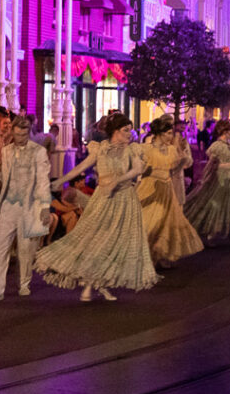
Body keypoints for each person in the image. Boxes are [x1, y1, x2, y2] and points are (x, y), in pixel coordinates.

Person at [34, 113, 156, 301]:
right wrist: (62, 180)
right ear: (115, 131)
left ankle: (100, 284)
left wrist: (117, 180)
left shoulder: (132, 150)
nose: (129, 134)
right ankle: (92, 283)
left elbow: (137, 169)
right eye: (125, 130)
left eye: (129, 130)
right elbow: (81, 167)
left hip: (125, 199)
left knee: (116, 243)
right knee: (96, 239)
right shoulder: (100, 149)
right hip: (103, 199)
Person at [0, 117, 51, 301]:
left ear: (29, 132)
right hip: (8, 203)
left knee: (25, 249)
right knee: (0, 247)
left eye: (24, 134)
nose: (20, 137)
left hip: (28, 204)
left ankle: (24, 283)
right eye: (17, 134)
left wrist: (45, 206)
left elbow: (43, 179)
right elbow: (3, 176)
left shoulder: (38, 152)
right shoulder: (7, 151)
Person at [137, 117, 203, 267]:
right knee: (150, 220)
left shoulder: (171, 150)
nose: (170, 136)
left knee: (165, 222)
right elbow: (140, 170)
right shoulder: (146, 148)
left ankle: (160, 255)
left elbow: (173, 171)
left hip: (167, 188)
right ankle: (145, 255)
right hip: (150, 186)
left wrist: (181, 163)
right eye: (167, 133)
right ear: (159, 133)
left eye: (170, 133)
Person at [184, 120, 230, 246]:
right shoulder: (217, 146)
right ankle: (211, 234)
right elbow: (211, 164)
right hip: (220, 178)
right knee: (217, 206)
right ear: (225, 132)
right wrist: (205, 178)